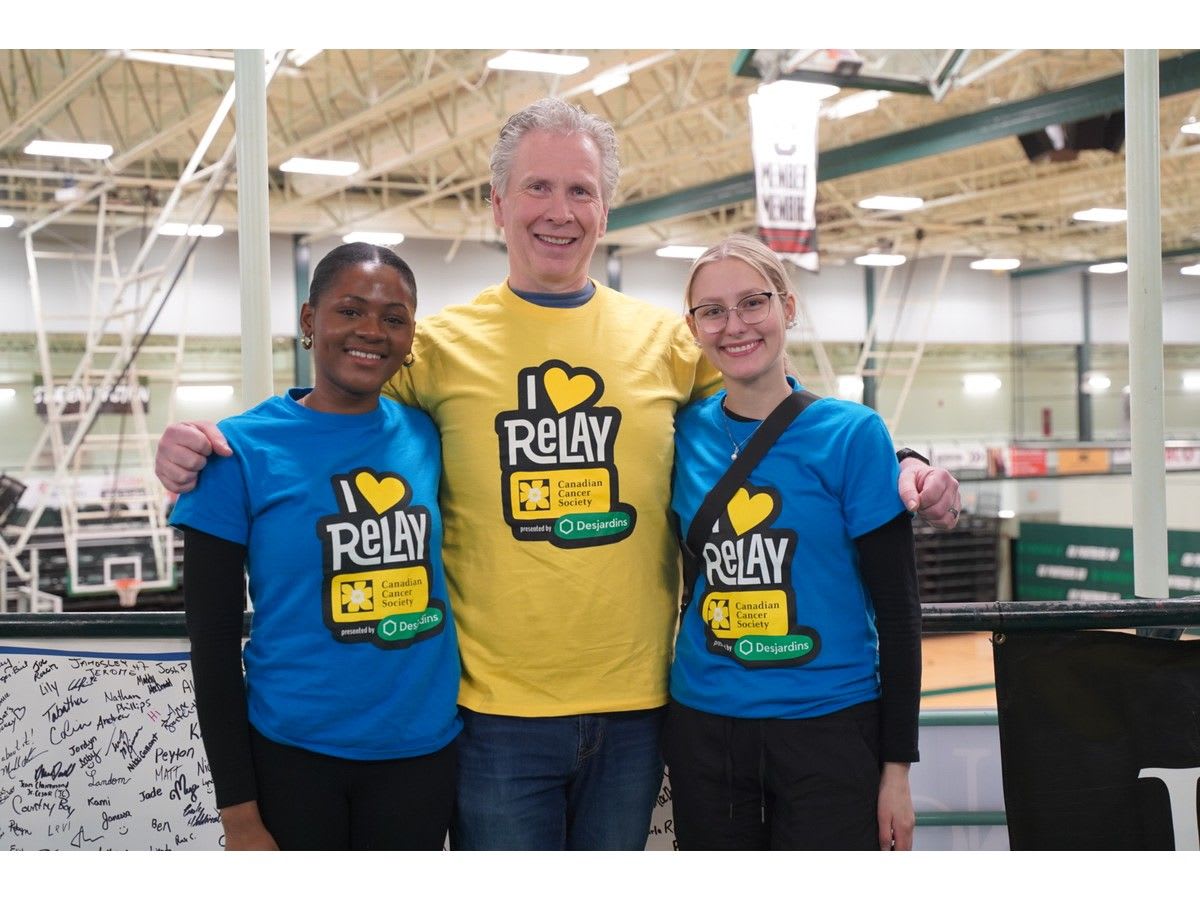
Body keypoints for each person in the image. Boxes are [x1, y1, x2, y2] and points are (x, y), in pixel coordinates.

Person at [156, 98, 960, 851]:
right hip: (493, 715)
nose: (559, 210)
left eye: (581, 190)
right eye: (537, 187)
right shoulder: (435, 348)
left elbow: (778, 416)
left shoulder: (669, 342)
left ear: (604, 211)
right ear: (498, 204)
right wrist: (203, 444)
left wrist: (903, 461)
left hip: (639, 709)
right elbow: (328, 412)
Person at [169, 243, 460, 850]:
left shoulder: (431, 435)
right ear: (309, 320)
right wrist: (238, 815)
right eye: (350, 311)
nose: (371, 331)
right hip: (293, 758)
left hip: (421, 754)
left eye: (393, 318)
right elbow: (213, 646)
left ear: (411, 335)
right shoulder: (236, 453)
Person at [663, 234, 920, 850]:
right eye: (713, 311)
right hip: (706, 728)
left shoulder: (853, 434)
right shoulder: (677, 432)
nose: (735, 325)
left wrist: (896, 771)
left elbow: (898, 611)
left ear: (788, 306)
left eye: (753, 302)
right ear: (693, 327)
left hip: (829, 728)